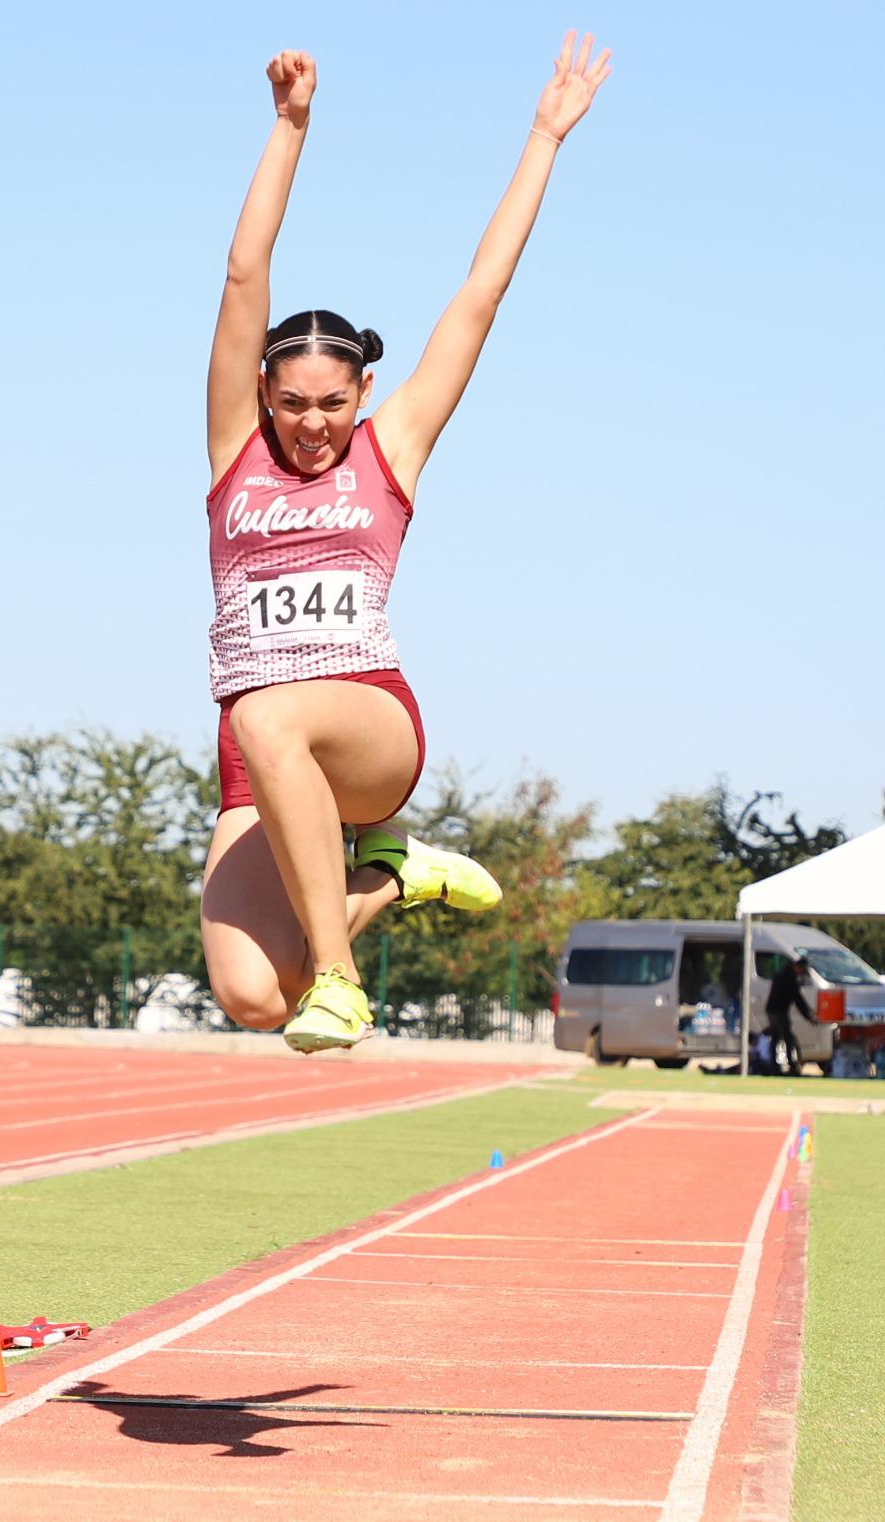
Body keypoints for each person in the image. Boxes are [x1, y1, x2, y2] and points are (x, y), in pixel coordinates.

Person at [200, 39, 610, 1053]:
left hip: (368, 724)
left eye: (330, 405)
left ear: (364, 396)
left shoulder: (392, 450)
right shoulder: (230, 453)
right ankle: (391, 876)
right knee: (254, 994)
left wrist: (543, 137)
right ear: (260, 392)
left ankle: (343, 978)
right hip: (258, 750)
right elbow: (244, 271)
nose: (309, 425)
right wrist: (289, 127)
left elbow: (480, 292)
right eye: (290, 403)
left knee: (270, 711)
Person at [764, 956, 811, 1076]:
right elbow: (798, 999)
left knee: (776, 1038)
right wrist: (808, 1016)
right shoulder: (789, 978)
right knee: (787, 1038)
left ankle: (773, 1067)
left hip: (772, 1010)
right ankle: (790, 1066)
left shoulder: (782, 973)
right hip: (779, 1011)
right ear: (797, 966)